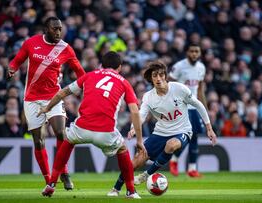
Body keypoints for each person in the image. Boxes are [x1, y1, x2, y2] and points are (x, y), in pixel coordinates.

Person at [39, 51, 146, 198]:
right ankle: (131, 191)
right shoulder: (124, 82)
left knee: (67, 141)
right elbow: (134, 112)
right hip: (106, 132)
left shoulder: (89, 75)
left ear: (101, 65)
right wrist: (139, 140)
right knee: (122, 150)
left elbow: (62, 92)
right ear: (120, 68)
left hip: (81, 128)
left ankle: (51, 183)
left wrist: (47, 108)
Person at [107, 61, 217, 196]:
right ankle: (116, 189)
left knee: (171, 145)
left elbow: (198, 105)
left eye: (160, 75)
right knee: (135, 161)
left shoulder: (179, 89)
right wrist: (133, 128)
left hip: (183, 131)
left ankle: (147, 175)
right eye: (154, 76)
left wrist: (209, 128)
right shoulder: (148, 97)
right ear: (151, 79)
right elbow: (141, 114)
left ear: (165, 76)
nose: (158, 78)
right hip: (160, 133)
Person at [7, 16, 86, 190]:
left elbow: (80, 71)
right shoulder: (31, 43)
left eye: (60, 29)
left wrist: (87, 86)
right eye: (54, 29)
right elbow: (18, 59)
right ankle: (49, 179)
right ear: (46, 29)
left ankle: (64, 173)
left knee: (60, 133)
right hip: (32, 99)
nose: (58, 32)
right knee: (39, 141)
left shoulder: (65, 48)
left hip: (54, 97)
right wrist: (12, 68)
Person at [168, 43, 207, 177]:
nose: (194, 54)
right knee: (186, 137)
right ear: (187, 52)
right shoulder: (179, 66)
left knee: (194, 137)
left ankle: (192, 169)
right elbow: (168, 84)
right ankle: (174, 160)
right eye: (192, 51)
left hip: (194, 107)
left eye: (197, 51)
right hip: (181, 107)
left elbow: (200, 89)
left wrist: (204, 109)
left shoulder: (201, 67)